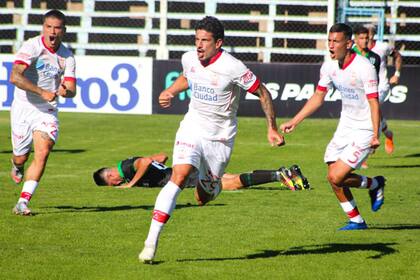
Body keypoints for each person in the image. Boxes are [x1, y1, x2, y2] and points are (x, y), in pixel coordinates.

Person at [138, 16, 284, 263]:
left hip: (220, 138)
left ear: (218, 43)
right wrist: (171, 91)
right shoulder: (189, 58)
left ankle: (212, 185)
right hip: (192, 127)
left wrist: (271, 128)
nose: (199, 45)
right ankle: (150, 243)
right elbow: (187, 76)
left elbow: (262, 92)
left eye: (204, 40)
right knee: (179, 175)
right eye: (196, 39)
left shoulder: (233, 67)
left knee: (202, 197)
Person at [280, 23, 386, 231]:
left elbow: (374, 102)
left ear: (349, 44)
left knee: (335, 176)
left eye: (335, 41)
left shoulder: (364, 67)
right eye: (329, 41)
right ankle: (358, 216)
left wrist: (375, 134)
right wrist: (295, 121)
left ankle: (374, 185)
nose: (331, 45)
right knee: (334, 175)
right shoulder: (329, 66)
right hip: (345, 125)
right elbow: (319, 97)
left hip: (365, 127)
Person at [9, 9, 76, 216]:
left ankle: (22, 202)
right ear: (43, 28)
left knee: (43, 151)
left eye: (57, 28)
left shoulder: (67, 56)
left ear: (63, 31)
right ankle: (17, 165)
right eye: (49, 27)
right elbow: (14, 77)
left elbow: (72, 90)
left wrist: (66, 90)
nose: (52, 32)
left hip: (46, 111)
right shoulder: (32, 47)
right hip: (23, 107)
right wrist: (41, 91)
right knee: (21, 157)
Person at [92, 152, 310, 192]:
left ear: (110, 177)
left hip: (183, 177)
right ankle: (284, 173)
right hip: (184, 171)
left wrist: (132, 183)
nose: (117, 185)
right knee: (230, 178)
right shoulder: (129, 167)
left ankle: (278, 175)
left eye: (114, 184)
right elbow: (160, 157)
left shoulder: (127, 167)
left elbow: (148, 161)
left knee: (230, 184)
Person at [365, 24, 403, 154]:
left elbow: (397, 55)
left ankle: (369, 149)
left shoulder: (382, 47)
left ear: (372, 35)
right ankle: (388, 133)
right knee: (375, 113)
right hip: (365, 87)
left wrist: (396, 74)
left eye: (367, 34)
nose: (364, 37)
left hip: (381, 86)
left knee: (370, 110)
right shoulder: (356, 49)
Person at [352, 25, 381, 169]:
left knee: (369, 125)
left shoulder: (375, 58)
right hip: (353, 97)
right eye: (362, 38)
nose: (365, 41)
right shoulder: (350, 54)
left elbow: (376, 79)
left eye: (367, 38)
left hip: (368, 97)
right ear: (356, 39)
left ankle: (364, 154)